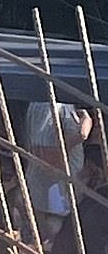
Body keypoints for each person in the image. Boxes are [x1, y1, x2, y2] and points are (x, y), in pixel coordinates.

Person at [25, 102, 92, 242]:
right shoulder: (46, 105)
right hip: (52, 201)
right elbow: (42, 156)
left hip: (63, 199)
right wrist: (80, 135)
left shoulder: (63, 103)